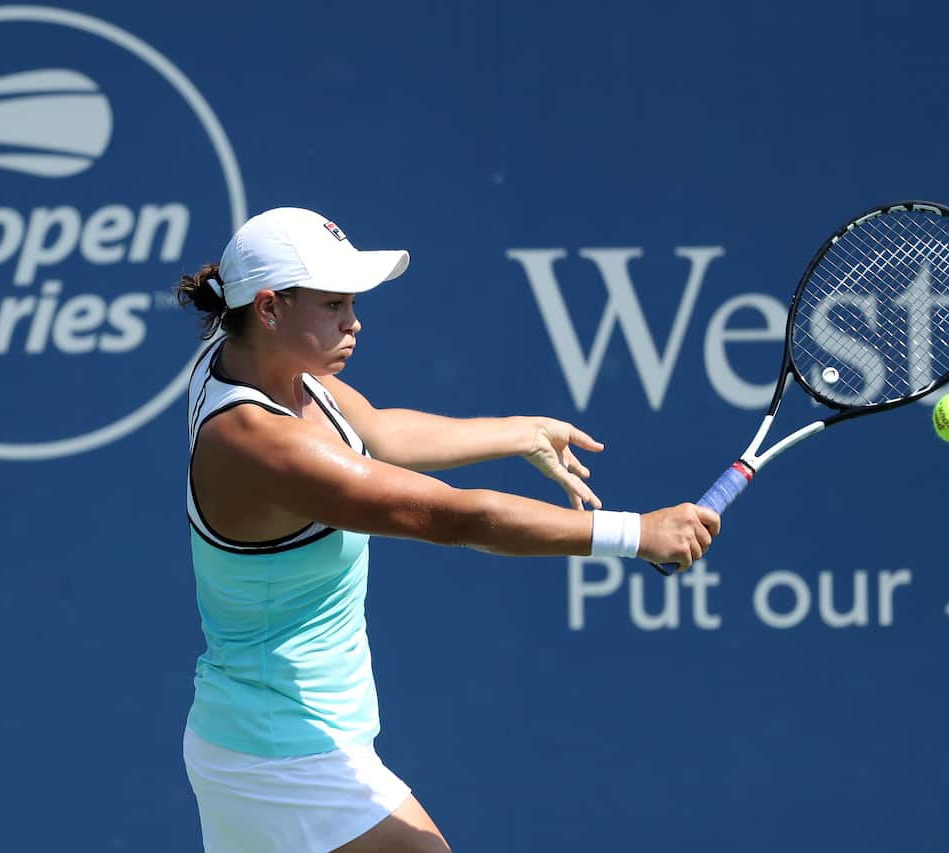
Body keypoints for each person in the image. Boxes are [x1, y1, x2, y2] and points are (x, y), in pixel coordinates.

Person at [176, 207, 719, 853]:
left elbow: (379, 432)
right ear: (268, 307)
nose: (355, 321)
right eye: (334, 303)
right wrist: (636, 532)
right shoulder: (260, 444)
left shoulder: (249, 362)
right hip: (284, 757)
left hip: (264, 738)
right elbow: (454, 516)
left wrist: (519, 431)